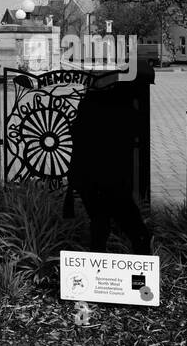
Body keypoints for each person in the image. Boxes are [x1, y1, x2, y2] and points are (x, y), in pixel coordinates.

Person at [65, 69, 151, 255]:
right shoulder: (121, 104)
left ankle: (100, 265)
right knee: (129, 223)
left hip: (88, 175)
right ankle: (141, 266)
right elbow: (136, 134)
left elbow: (77, 133)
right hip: (107, 176)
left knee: (101, 221)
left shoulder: (92, 101)